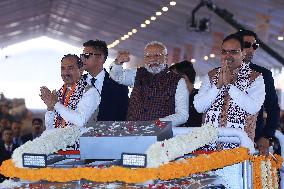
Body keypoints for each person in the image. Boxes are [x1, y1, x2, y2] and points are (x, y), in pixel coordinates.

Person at [194, 34, 265, 149]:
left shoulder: (256, 78)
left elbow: (253, 108)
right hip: (209, 148)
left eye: (234, 52)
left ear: (243, 54)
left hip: (240, 149)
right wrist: (217, 87)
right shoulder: (211, 76)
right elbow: (199, 107)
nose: (228, 56)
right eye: (224, 52)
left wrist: (229, 86)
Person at [109, 41, 189, 127]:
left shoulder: (178, 81)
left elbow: (182, 115)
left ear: (166, 57)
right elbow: (117, 76)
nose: (153, 59)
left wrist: (156, 124)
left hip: (160, 135)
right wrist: (118, 62)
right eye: (148, 56)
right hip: (132, 132)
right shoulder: (136, 73)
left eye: (157, 55)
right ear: (144, 58)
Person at [235, 29, 280, 155]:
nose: (251, 49)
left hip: (253, 142)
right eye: (247, 45)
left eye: (254, 46)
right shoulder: (218, 73)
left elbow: (273, 108)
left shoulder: (263, 74)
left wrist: (267, 136)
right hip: (223, 139)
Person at [40, 54, 100, 129]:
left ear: (81, 70)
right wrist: (50, 108)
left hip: (81, 140)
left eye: (70, 68)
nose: (65, 73)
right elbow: (49, 127)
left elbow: (80, 121)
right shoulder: (60, 93)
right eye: (63, 68)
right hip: (58, 138)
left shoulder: (90, 92)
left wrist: (55, 103)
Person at [80, 40, 129, 123]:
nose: (82, 59)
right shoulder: (77, 83)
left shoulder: (118, 85)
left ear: (101, 58)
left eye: (87, 55)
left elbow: (124, 115)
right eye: (82, 55)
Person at [169, 60, 202, 127]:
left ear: (184, 77)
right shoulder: (171, 98)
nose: (168, 81)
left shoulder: (201, 96)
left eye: (172, 77)